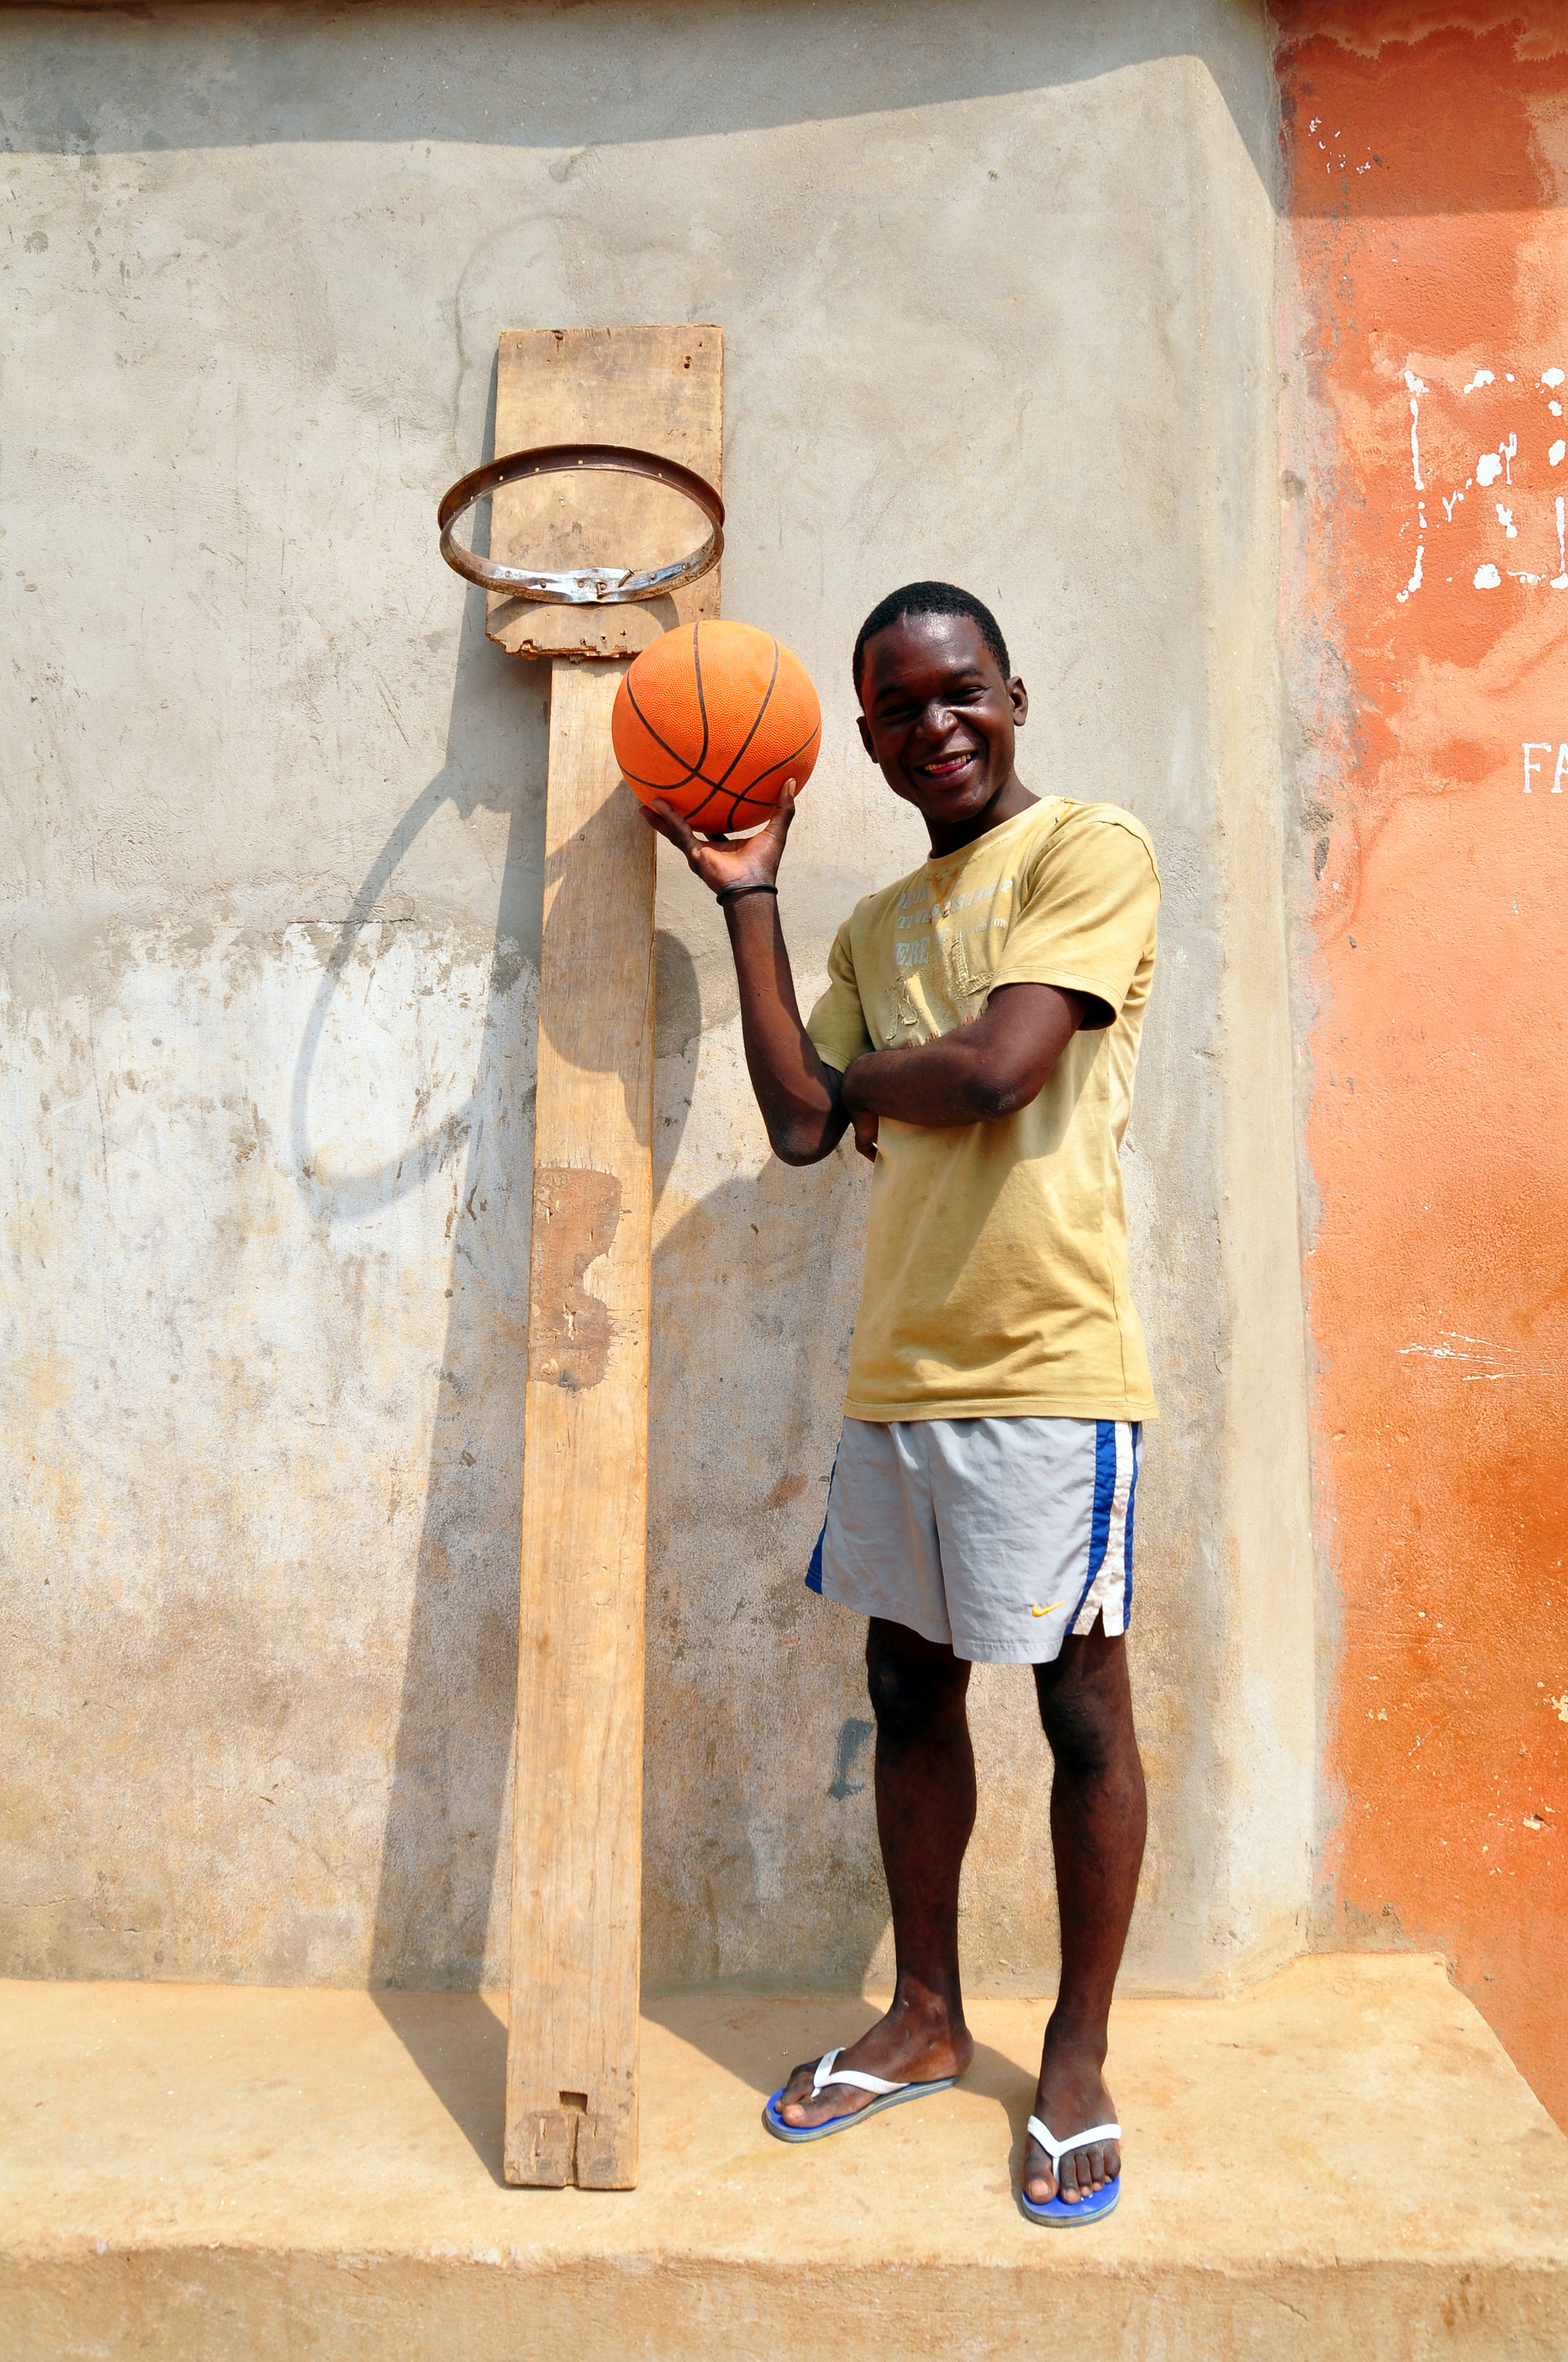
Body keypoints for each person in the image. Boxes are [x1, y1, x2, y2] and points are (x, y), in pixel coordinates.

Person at [643, 581, 1160, 2225]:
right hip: (900, 1369)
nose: (933, 726)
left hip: (1047, 1359)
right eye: (896, 710)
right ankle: (927, 2016)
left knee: (1076, 1705)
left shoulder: (1088, 850)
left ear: (1013, 691)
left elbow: (1000, 1070)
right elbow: (800, 1127)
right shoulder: (867, 932)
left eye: (957, 693)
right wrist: (750, 895)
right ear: (857, 742)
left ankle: (1073, 2054)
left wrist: (872, 1083)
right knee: (911, 1690)